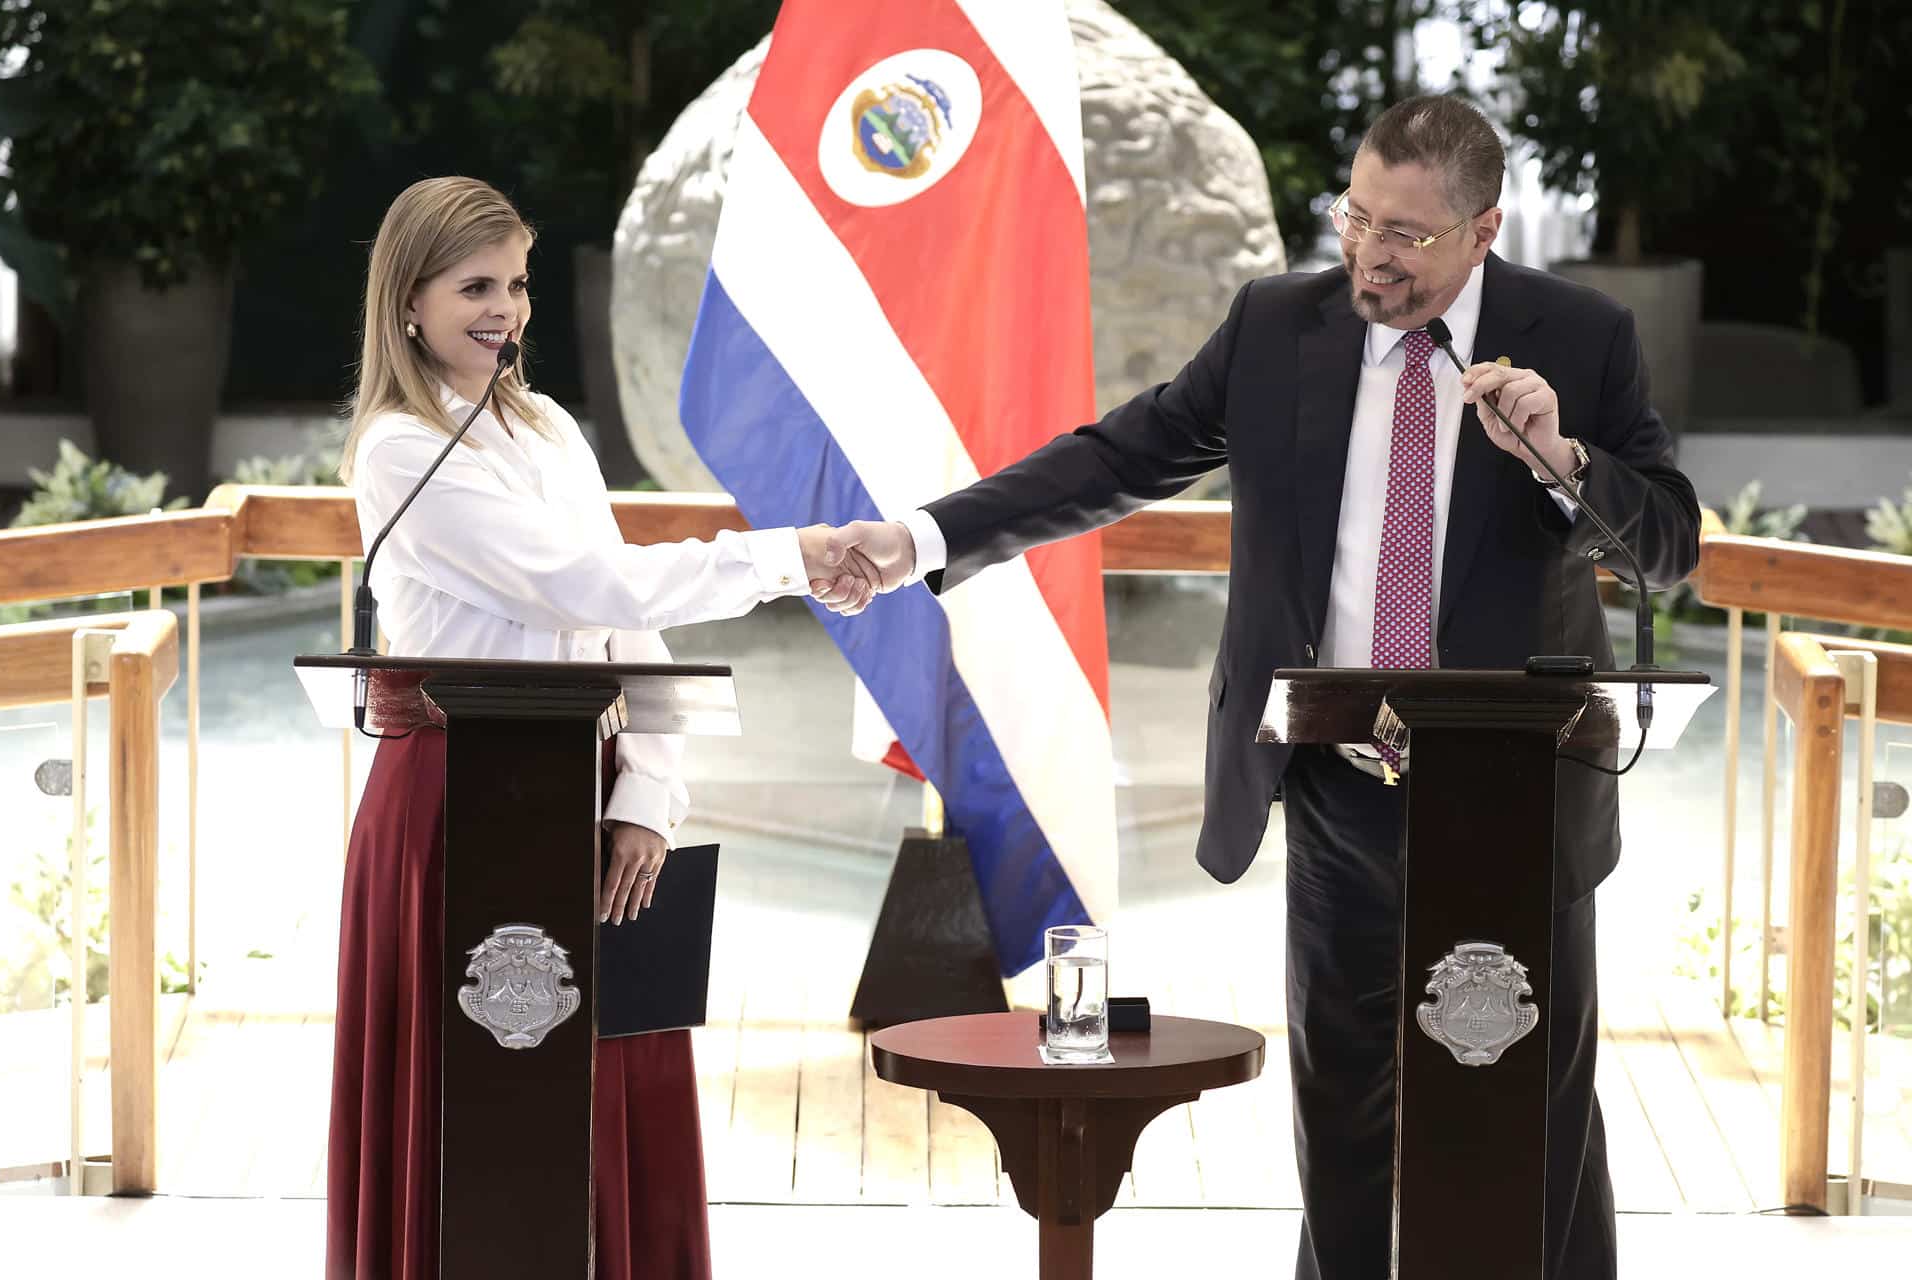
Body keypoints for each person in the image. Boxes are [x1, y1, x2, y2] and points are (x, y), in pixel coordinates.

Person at [821, 95, 1700, 1280]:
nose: (1370, 252)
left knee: (1528, 1103)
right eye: (1358, 214)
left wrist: (1568, 461)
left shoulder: (1580, 337)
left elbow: (1670, 544)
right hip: (1337, 773)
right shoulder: (1280, 326)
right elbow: (1117, 454)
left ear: (1485, 230)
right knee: (1341, 1112)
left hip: (1519, 792)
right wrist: (921, 538)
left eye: (1408, 233)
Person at [325, 176, 872, 1280]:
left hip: (588, 780)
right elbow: (582, 585)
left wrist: (646, 801)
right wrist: (783, 555)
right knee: (474, 1093)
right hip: (452, 802)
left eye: (518, 283)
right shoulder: (396, 447)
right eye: (476, 284)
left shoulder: (548, 426)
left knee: (615, 1080)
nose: (506, 309)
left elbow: (632, 626)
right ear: (409, 302)